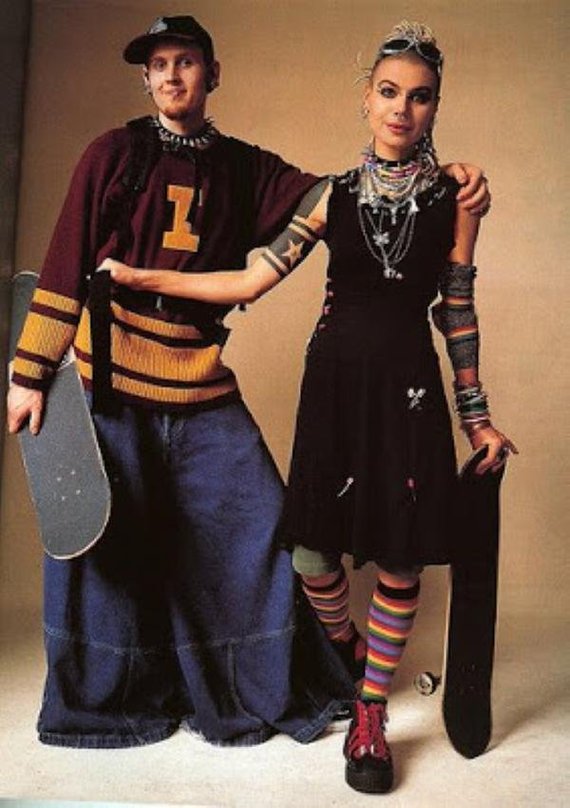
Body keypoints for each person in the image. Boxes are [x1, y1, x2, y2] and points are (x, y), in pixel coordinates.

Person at [7, 16, 490, 752]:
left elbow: (374, 209)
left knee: (266, 528)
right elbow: (70, 259)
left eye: (187, 62)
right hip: (116, 382)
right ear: (146, 77)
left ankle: (277, 687)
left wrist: (450, 175)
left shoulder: (248, 169)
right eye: (159, 64)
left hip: (212, 383)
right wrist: (30, 372)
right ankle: (118, 702)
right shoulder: (115, 153)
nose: (172, 76)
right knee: (112, 550)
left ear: (213, 74)